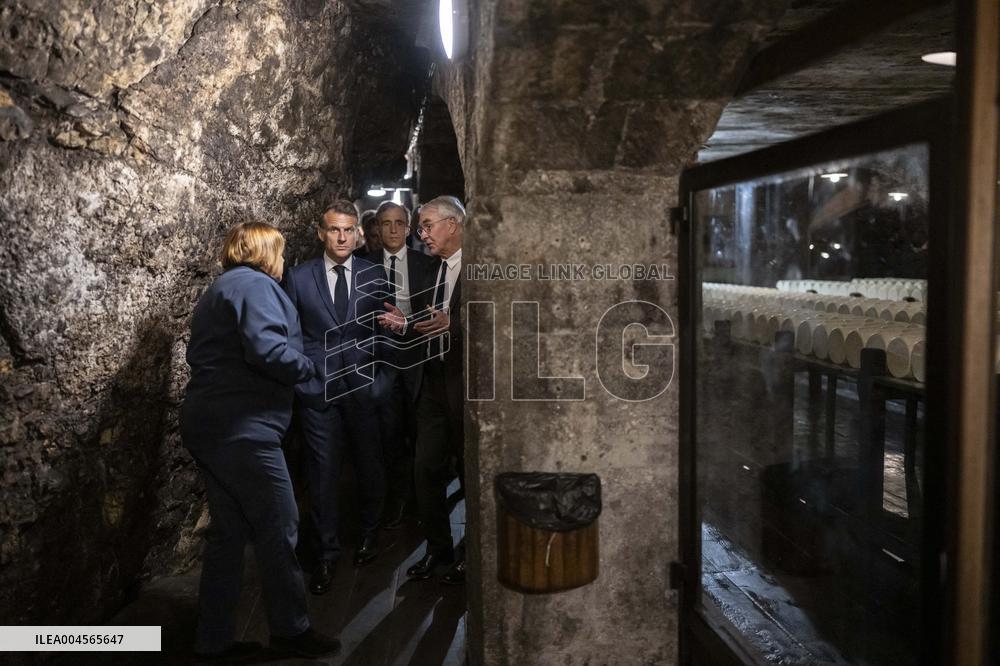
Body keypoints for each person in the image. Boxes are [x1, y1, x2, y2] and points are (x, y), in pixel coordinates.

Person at [181, 222, 340, 661]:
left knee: (229, 534)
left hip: (212, 426)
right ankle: (292, 628)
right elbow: (267, 350)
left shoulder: (224, 286)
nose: (284, 260)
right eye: (281, 252)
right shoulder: (255, 285)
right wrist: (309, 367)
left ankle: (212, 641)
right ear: (267, 251)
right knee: (280, 523)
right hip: (242, 429)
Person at [282, 200, 389, 594]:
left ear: (358, 232)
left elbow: (385, 329)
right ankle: (326, 554)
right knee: (322, 475)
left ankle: (368, 535)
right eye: (334, 230)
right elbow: (291, 336)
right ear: (321, 233)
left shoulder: (375, 274)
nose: (342, 237)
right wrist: (305, 379)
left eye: (348, 230)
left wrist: (379, 377)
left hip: (363, 389)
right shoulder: (297, 276)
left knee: (368, 464)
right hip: (318, 392)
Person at [381, 195, 466, 584]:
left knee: (470, 475)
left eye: (428, 225)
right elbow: (430, 317)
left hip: (467, 388)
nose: (422, 234)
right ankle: (439, 549)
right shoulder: (432, 269)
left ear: (453, 224)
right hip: (432, 383)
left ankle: (471, 556)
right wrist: (406, 322)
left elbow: (497, 320)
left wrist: (456, 326)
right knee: (425, 469)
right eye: (421, 227)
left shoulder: (483, 267)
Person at [358, 201, 439, 528]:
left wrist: (409, 322)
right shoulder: (362, 264)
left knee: (419, 433)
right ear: (377, 227)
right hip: (379, 362)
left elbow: (438, 312)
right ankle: (397, 499)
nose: (392, 229)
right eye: (385, 223)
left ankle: (422, 501)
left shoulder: (427, 265)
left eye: (399, 223)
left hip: (419, 361)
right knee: (387, 434)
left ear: (408, 228)